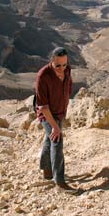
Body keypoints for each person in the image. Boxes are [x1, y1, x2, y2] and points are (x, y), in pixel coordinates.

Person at [35, 47, 77, 193]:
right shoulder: (43, 76)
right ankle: (59, 181)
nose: (62, 68)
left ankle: (47, 169)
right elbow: (43, 107)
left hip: (60, 111)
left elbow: (68, 86)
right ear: (51, 61)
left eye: (64, 65)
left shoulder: (67, 70)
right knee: (57, 140)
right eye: (58, 65)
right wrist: (55, 126)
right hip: (47, 113)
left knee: (49, 138)